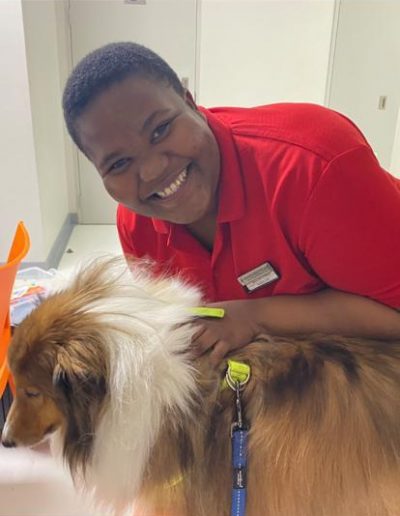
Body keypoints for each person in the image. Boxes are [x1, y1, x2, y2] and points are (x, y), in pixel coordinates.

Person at [62, 41, 400, 365]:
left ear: (190, 102)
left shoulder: (315, 167)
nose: (151, 171)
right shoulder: (136, 224)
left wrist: (254, 317)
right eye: (119, 164)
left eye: (160, 130)